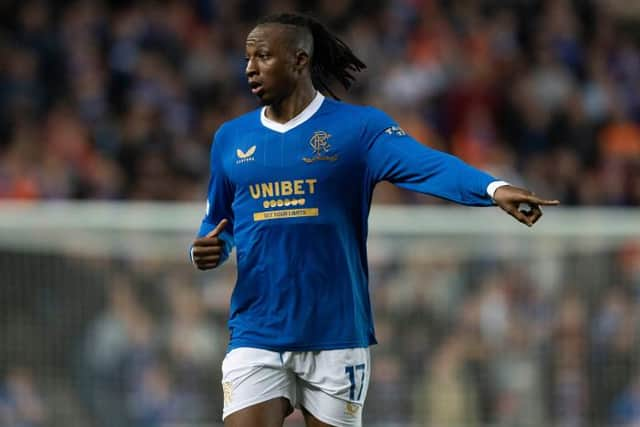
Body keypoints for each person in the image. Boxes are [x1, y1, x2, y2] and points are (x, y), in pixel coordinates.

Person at [190, 12, 559, 427]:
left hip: (336, 334)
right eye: (247, 59)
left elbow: (426, 165)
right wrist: (208, 248)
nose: (249, 69)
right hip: (257, 330)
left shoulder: (358, 129)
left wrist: (492, 189)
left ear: (299, 60)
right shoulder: (231, 138)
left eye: (262, 56)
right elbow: (217, 223)